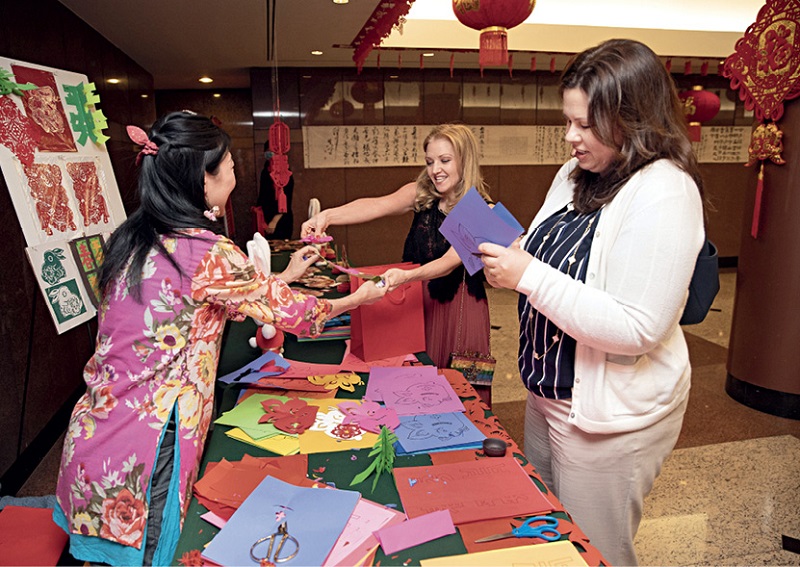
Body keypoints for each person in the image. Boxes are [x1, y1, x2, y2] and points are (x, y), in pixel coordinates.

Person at [52, 111, 386, 566]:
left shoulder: (131, 238)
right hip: (147, 451)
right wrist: (358, 298)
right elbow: (301, 314)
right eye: (227, 163)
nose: (234, 170)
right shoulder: (206, 251)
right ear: (202, 180)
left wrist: (283, 275)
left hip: (96, 434)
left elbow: (200, 302)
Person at [479, 39, 705, 566]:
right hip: (546, 396)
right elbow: (546, 250)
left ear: (632, 119)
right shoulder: (575, 173)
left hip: (608, 418)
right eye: (568, 121)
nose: (570, 137)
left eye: (584, 124)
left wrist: (529, 275)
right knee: (552, 535)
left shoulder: (665, 191)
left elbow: (637, 327)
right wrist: (517, 258)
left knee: (596, 552)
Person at [301, 123, 492, 369]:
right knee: (413, 380)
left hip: (458, 310)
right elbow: (376, 205)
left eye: (445, 160)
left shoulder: (483, 211)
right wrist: (326, 217)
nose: (436, 170)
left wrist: (406, 276)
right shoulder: (422, 193)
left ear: (465, 161)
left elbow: (447, 264)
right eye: (430, 161)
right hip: (415, 301)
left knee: (457, 387)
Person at [257, 143, 294, 240]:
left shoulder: (285, 173)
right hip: (266, 217)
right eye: (268, 150)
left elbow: (287, 199)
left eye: (273, 151)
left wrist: (274, 221)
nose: (270, 153)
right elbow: (263, 195)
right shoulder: (265, 171)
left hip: (281, 219)